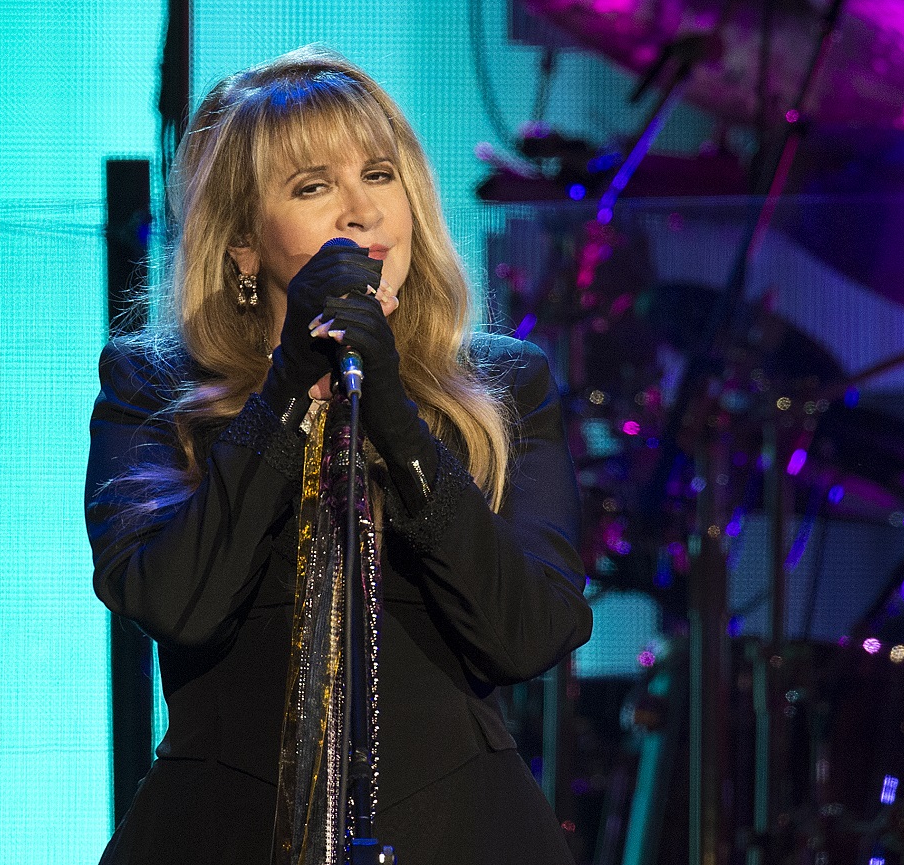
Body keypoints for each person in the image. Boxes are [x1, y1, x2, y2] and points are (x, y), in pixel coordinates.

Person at [85, 46, 592, 865]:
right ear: (243, 243)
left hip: (460, 833)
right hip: (219, 833)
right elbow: (174, 600)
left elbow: (528, 633)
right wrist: (289, 385)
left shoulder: (503, 382)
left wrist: (393, 410)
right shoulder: (153, 386)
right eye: (313, 186)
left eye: (379, 174)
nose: (359, 211)